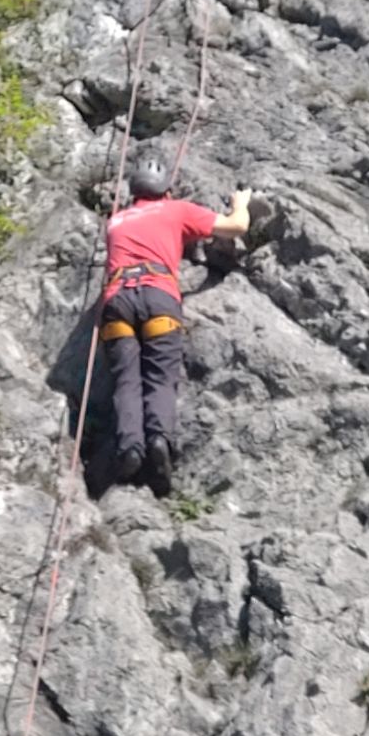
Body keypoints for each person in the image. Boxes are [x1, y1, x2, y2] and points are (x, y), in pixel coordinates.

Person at [97, 148, 252, 495]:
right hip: (158, 296)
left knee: (126, 379)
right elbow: (236, 227)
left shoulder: (116, 221)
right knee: (160, 376)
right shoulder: (177, 210)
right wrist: (240, 202)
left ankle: (130, 448)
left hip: (117, 299)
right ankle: (158, 441)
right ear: (166, 189)